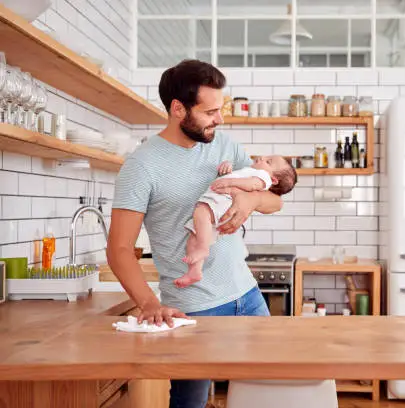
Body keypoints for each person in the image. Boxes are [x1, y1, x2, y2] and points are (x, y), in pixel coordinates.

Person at [106, 59, 283, 408]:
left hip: (247, 294)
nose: (219, 119)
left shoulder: (224, 145)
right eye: (210, 111)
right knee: (190, 403)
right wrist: (149, 303)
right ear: (177, 109)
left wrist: (249, 200)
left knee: (267, 392)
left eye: (221, 109)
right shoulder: (141, 166)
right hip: (192, 310)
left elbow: (274, 200)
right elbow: (119, 249)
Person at [176, 155, 297, 288]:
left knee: (201, 214)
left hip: (221, 203)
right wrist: (227, 169)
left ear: (273, 180)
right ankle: (195, 271)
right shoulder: (250, 170)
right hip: (219, 205)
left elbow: (253, 186)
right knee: (194, 236)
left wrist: (230, 183)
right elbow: (238, 176)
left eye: (268, 162)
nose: (262, 157)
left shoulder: (262, 176)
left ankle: (203, 249)